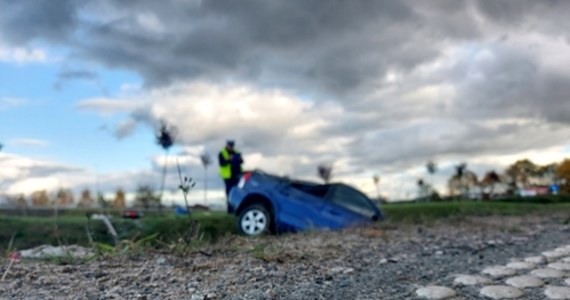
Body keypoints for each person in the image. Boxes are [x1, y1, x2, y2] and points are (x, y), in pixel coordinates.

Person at [218, 140, 244, 210]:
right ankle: (230, 208)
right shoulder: (222, 153)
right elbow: (222, 163)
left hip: (237, 175)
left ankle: (237, 207)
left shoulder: (237, 152)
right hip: (228, 176)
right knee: (229, 192)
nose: (231, 147)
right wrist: (229, 159)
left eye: (232, 146)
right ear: (227, 145)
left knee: (237, 192)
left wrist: (239, 159)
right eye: (230, 146)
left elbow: (242, 161)